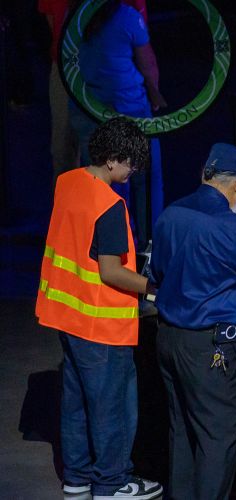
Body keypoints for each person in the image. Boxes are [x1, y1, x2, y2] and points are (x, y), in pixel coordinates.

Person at [35, 117, 162, 500]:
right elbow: (111, 272)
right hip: (101, 326)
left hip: (67, 317)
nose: (132, 172)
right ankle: (112, 483)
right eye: (130, 163)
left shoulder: (67, 182)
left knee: (75, 402)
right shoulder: (110, 206)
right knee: (113, 408)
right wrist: (153, 289)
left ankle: (77, 478)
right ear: (112, 159)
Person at [150, 143, 236, 499]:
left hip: (169, 338)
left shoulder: (171, 214)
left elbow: (157, 271)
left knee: (182, 432)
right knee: (218, 438)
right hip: (212, 348)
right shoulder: (230, 227)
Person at [69, 0, 166, 251]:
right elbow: (147, 63)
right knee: (146, 179)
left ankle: (109, 249)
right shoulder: (127, 16)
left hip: (88, 108)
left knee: (103, 185)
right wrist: (155, 95)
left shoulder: (76, 16)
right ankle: (149, 248)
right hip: (130, 111)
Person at [37, 0, 148, 179]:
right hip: (71, 68)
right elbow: (53, 21)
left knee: (110, 156)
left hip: (103, 72)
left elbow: (138, 31)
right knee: (66, 147)